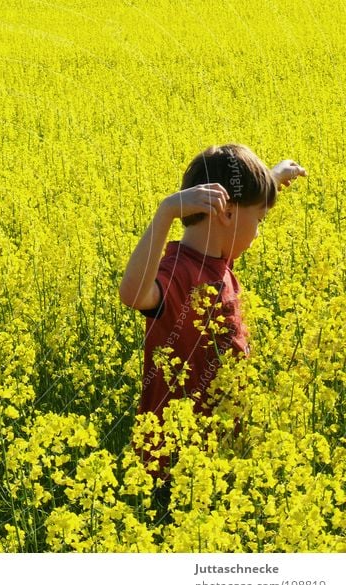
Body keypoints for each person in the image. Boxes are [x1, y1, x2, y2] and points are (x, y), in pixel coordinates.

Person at [119, 144, 307, 481]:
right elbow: (133, 294)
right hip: (175, 465)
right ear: (228, 214)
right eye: (259, 220)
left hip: (217, 453)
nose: (258, 232)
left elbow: (236, 222)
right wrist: (166, 213)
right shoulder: (180, 272)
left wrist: (272, 179)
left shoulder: (217, 262)